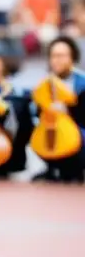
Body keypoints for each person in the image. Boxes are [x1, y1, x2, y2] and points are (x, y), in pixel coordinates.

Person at [32, 36, 85, 184]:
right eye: (54, 56)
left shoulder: (82, 83)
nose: (57, 60)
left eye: (61, 56)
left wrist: (69, 108)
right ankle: (52, 167)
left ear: (72, 57)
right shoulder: (44, 85)